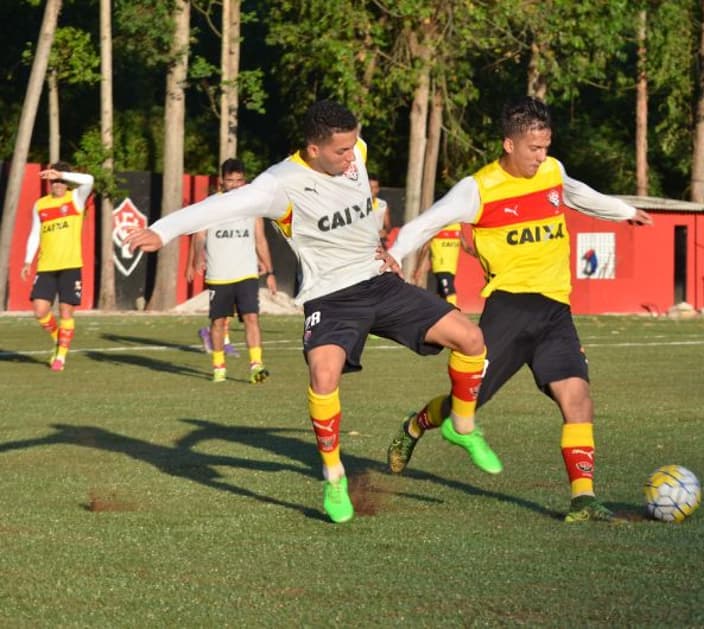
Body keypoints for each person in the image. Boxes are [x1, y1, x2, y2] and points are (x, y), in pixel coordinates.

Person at [124, 99, 499, 524]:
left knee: (471, 339)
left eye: (353, 145)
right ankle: (334, 474)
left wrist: (383, 251)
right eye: (340, 150)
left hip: (380, 282)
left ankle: (461, 425)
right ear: (314, 148)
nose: (351, 156)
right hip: (331, 297)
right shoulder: (279, 184)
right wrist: (162, 230)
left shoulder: (355, 151)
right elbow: (220, 207)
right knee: (323, 375)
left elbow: (361, 212)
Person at [386, 96, 653, 524]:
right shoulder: (479, 188)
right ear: (509, 144)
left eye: (545, 146)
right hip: (509, 309)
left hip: (555, 311)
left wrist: (622, 212)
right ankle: (416, 424)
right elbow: (427, 223)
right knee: (465, 406)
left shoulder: (551, 172)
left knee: (578, 398)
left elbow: (578, 193)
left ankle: (583, 499)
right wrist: (394, 255)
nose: (541, 156)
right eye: (534, 148)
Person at [186, 158, 278, 383]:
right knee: (218, 322)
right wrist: (195, 259)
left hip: (246, 272)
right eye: (230, 181)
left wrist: (270, 272)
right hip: (219, 274)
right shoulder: (210, 205)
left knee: (251, 318)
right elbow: (199, 236)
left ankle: (256, 366)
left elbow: (260, 240)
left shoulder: (252, 207)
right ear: (221, 182)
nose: (235, 185)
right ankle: (219, 367)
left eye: (239, 180)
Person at [20, 162, 95, 372]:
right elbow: (35, 233)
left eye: (61, 180)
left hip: (70, 265)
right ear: (49, 183)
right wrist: (28, 260)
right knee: (39, 310)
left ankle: (60, 356)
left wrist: (62, 173)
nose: (58, 184)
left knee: (65, 312)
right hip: (46, 266)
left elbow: (89, 180)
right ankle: (59, 340)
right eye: (54, 181)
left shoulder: (76, 199)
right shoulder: (40, 205)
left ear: (67, 181)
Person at [412, 223, 474, 306]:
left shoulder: (457, 225)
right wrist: (419, 268)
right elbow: (425, 247)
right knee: (450, 292)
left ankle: (437, 316)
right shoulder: (437, 225)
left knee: (441, 297)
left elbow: (466, 247)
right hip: (440, 266)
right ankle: (455, 315)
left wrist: (479, 255)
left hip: (452, 267)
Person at [368, 172, 391, 246]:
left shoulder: (383, 204)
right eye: (370, 187)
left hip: (376, 243)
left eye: (375, 187)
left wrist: (385, 231)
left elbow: (388, 226)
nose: (372, 190)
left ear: (378, 189)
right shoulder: (358, 204)